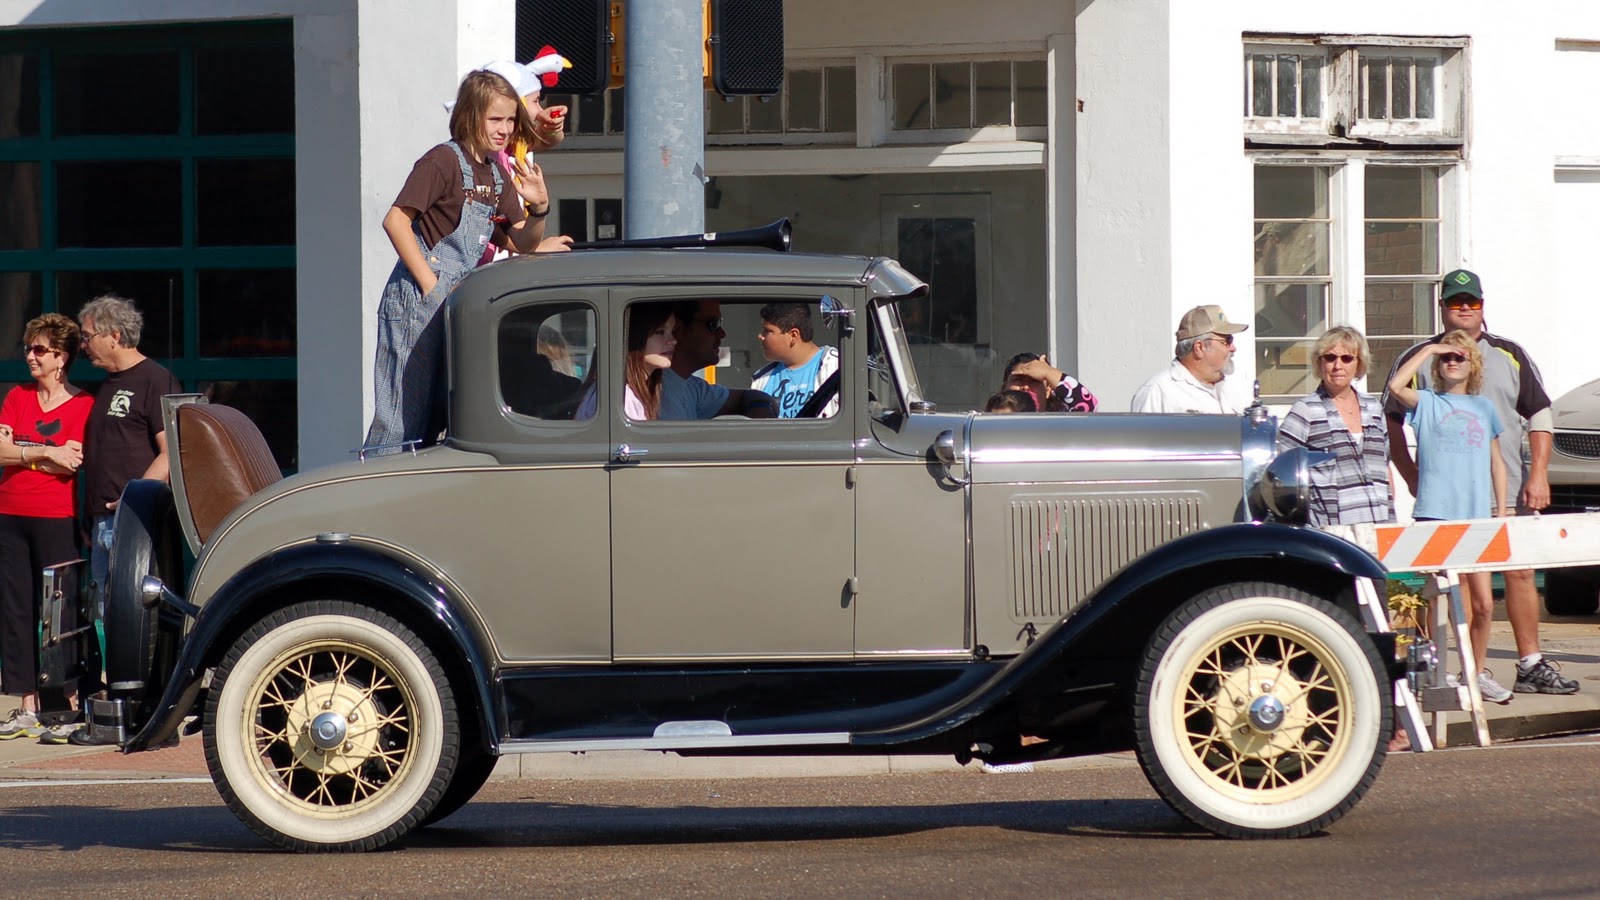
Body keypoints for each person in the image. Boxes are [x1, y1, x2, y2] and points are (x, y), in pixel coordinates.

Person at [1383, 268, 1578, 696]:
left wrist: (1540, 474)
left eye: (1472, 302)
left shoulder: (1510, 355)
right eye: (1456, 303)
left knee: (1520, 573)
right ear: (1443, 308)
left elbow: (1538, 415)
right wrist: (1411, 476)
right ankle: (1452, 671)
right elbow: (1393, 425)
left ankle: (1529, 664)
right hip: (1447, 498)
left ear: (1483, 307)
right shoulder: (1423, 359)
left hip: (1504, 491)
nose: (1465, 310)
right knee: (1449, 588)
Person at [364, 68, 572, 455]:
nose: (505, 129)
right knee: (401, 421)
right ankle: (373, 494)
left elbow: (523, 241)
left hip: (454, 304)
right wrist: (429, 283)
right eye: (496, 119)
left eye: (510, 119)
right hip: (416, 303)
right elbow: (395, 220)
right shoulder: (443, 161)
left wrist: (540, 207)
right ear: (470, 116)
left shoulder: (495, 174)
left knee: (437, 421)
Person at [1389, 330, 1512, 706]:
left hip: (1475, 515)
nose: (1452, 361)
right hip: (1435, 512)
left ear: (1472, 363)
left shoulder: (1484, 407)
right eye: (1447, 358)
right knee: (1437, 598)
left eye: (1460, 356)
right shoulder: (1426, 402)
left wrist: (1501, 512)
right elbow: (1395, 385)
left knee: (1484, 604)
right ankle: (1436, 669)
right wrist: (1430, 348)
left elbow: (1497, 464)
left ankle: (1474, 674)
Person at [0, 314, 92, 743]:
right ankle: (26, 703)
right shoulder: (17, 397)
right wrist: (43, 453)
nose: (30, 356)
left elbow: (74, 460)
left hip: (57, 516)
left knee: (60, 607)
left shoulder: (84, 405)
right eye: (28, 348)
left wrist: (22, 450)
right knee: (16, 607)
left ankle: (64, 701)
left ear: (62, 357)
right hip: (10, 513)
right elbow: (0, 451)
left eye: (40, 350)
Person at [79, 295, 181, 602]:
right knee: (103, 614)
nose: (83, 346)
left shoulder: (156, 380)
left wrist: (131, 499)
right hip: (102, 522)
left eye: (87, 337)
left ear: (114, 335)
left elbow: (170, 454)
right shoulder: (108, 384)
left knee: (134, 616)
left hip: (135, 522)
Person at [1275, 326, 1393, 527]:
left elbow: (1385, 466)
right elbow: (1279, 472)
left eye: (1347, 358)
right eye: (1330, 358)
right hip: (1331, 531)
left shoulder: (1374, 408)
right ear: (1320, 364)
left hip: (1379, 525)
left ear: (1359, 364)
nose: (1338, 365)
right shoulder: (1305, 409)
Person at [659, 300, 777, 419]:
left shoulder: (692, 387)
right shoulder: (655, 393)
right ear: (678, 329)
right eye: (713, 324)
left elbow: (748, 396)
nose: (722, 333)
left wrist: (761, 409)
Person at [1130, 305, 1248, 414]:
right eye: (1227, 342)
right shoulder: (1158, 391)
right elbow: (1141, 436)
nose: (1233, 348)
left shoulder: (1231, 389)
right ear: (1199, 348)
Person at [576, 305, 678, 420]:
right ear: (634, 337)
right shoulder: (622, 399)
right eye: (660, 332)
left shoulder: (624, 393)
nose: (673, 341)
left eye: (673, 331)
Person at [751, 302, 840, 417]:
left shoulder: (837, 368)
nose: (760, 336)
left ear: (793, 335)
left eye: (767, 330)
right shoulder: (762, 379)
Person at [1000, 352, 1097, 412]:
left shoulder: (1056, 425)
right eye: (1018, 380)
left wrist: (1049, 372)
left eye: (1034, 381)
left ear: (1047, 391)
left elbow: (1088, 407)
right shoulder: (993, 418)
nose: (1025, 387)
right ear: (1005, 387)